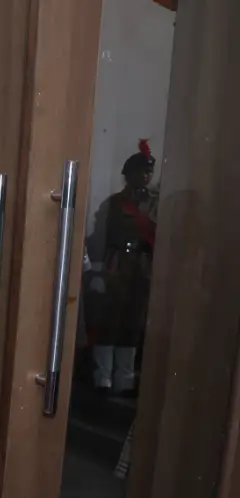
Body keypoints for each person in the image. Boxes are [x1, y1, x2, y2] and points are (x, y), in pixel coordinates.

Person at [84, 138, 157, 395]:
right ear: (128, 174)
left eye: (149, 172)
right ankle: (103, 376)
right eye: (141, 171)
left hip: (142, 265)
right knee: (109, 321)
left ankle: (125, 378)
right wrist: (97, 270)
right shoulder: (115, 203)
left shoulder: (155, 203)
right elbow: (99, 237)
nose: (146, 176)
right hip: (116, 264)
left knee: (133, 322)